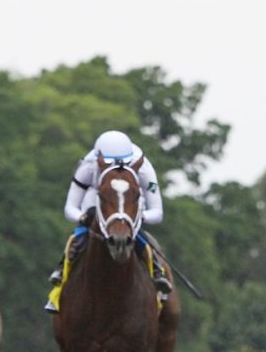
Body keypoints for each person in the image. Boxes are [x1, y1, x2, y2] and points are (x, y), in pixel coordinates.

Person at [44, 130, 172, 313]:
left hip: (131, 207)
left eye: (123, 165)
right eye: (110, 165)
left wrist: (137, 218)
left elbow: (157, 212)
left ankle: (157, 273)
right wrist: (83, 217)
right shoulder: (88, 166)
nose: (118, 169)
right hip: (99, 204)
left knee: (141, 239)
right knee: (76, 239)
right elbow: (70, 207)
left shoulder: (144, 168)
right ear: (99, 160)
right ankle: (58, 286)